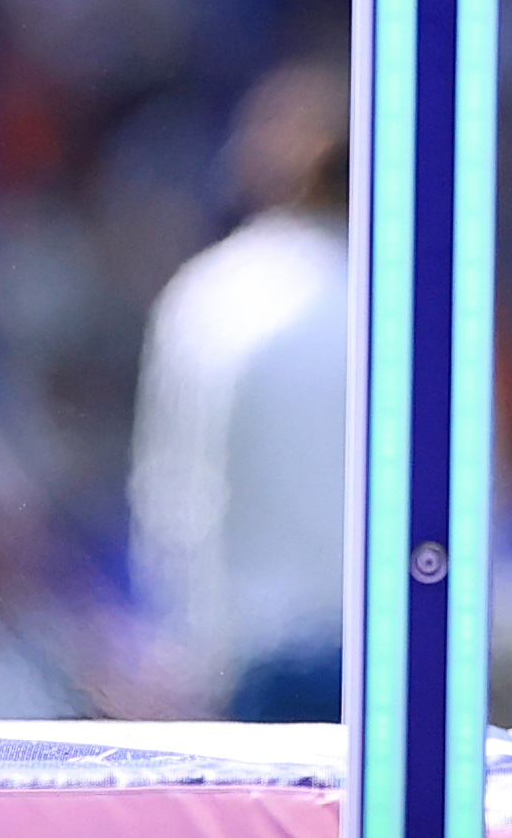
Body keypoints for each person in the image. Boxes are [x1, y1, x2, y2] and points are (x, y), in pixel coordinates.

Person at [127, 62, 350, 720]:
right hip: (387, 652)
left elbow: (172, 490)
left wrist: (184, 639)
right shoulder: (413, 301)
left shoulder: (211, 297)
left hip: (253, 656)